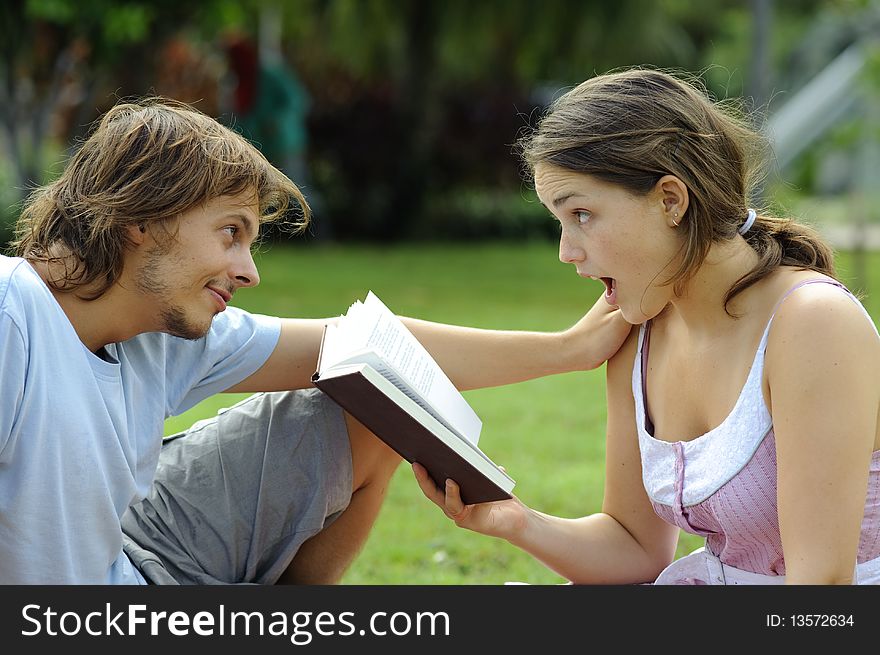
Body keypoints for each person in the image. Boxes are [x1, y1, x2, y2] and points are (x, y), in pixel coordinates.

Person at [0, 98, 630, 584]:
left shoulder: (162, 333)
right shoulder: (12, 318)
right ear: (142, 217)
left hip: (134, 557)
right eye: (230, 232)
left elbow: (374, 344)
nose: (249, 270)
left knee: (379, 393)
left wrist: (569, 349)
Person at [414, 68, 880, 585]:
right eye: (560, 222)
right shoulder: (638, 329)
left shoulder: (813, 325)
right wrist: (517, 521)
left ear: (670, 201)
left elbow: (823, 593)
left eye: (583, 214)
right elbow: (634, 547)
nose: (567, 252)